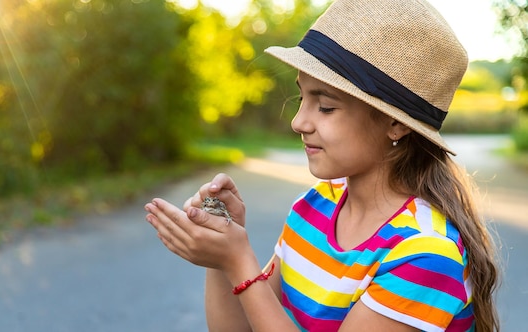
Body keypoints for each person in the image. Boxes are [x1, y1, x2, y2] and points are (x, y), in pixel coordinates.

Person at [144, 0, 500, 331]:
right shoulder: (314, 207)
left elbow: (248, 285)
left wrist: (239, 262)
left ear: (396, 124)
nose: (298, 122)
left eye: (325, 106)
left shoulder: (425, 253)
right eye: (302, 97)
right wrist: (221, 249)